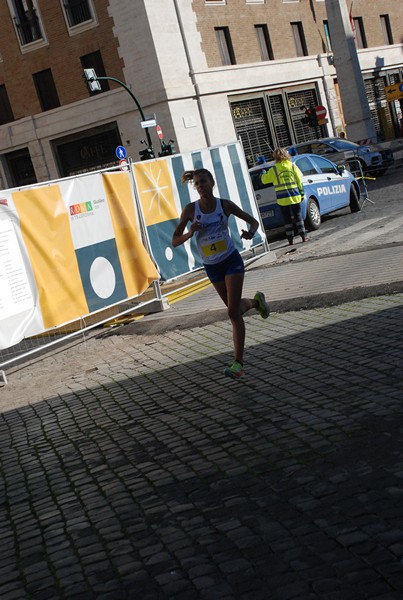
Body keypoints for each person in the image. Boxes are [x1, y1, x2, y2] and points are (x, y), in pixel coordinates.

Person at [172, 167, 270, 380]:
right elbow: (175, 240)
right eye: (197, 184)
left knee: (232, 313)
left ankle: (238, 363)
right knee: (233, 310)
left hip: (230, 261)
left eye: (204, 182)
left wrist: (250, 233)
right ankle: (256, 302)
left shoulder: (224, 205)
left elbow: (252, 221)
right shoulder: (190, 210)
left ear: (212, 182)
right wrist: (191, 232)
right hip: (211, 266)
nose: (200, 187)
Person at [261, 148, 309, 245]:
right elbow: (299, 180)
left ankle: (290, 240)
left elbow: (264, 180)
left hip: (282, 199)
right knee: (298, 217)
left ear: (275, 157)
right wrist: (302, 194)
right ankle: (303, 236)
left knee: (287, 220)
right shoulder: (292, 166)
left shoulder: (273, 169)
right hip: (295, 196)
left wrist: (263, 174)